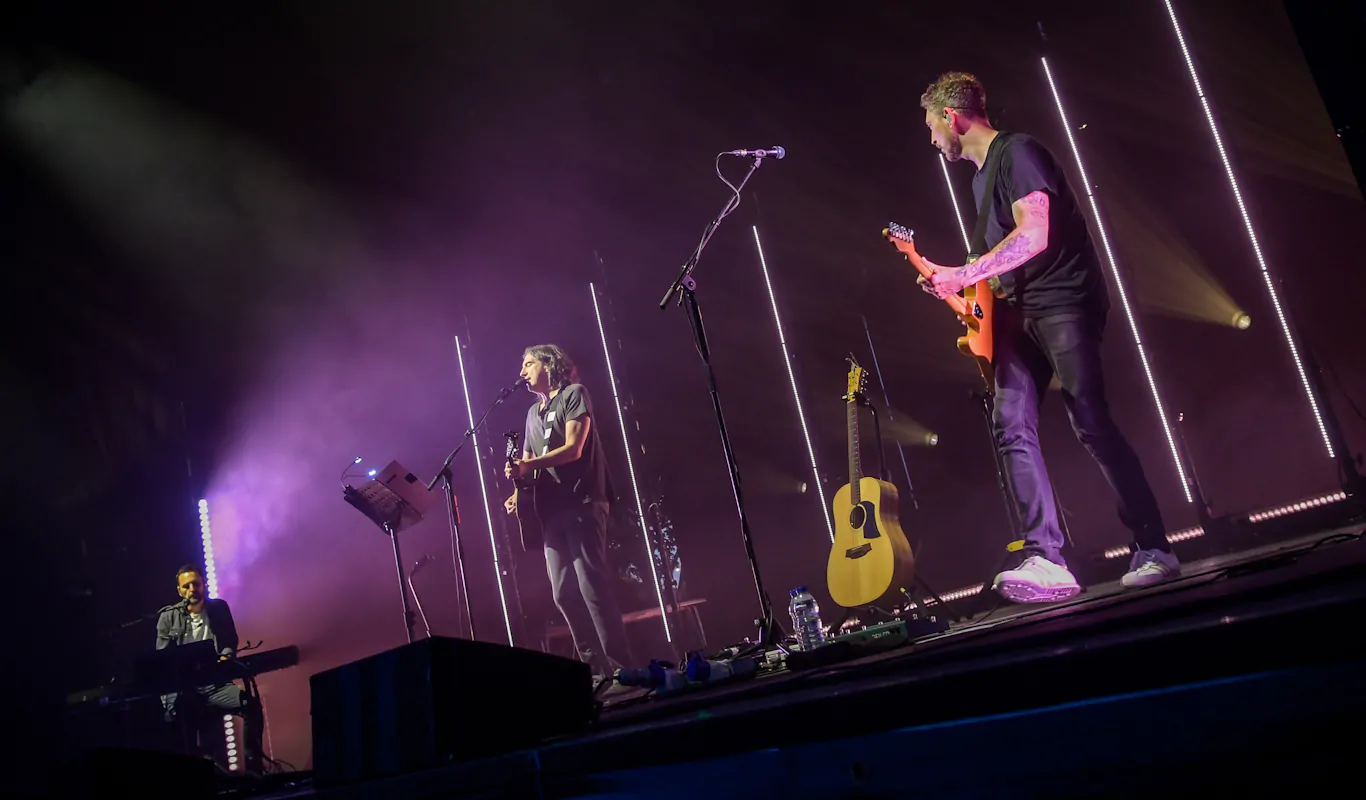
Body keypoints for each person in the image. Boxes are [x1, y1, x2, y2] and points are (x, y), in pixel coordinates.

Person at [916, 71, 1179, 602]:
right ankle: (1046, 557)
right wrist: (956, 282)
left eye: (930, 125)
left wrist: (962, 276)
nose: (930, 139)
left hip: (1062, 301)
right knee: (1009, 422)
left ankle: (1155, 548)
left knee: (1090, 419)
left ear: (952, 116)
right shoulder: (978, 179)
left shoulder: (1019, 153)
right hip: (1017, 313)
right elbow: (995, 261)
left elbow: (1034, 235)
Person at [504, 344, 634, 678]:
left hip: (583, 501)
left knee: (591, 583)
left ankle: (622, 669)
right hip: (550, 511)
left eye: (529, 364)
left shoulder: (574, 394)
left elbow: (574, 448)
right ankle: (595, 673)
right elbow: (530, 465)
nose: (523, 372)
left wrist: (528, 463)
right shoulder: (532, 414)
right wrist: (518, 492)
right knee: (562, 593)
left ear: (549, 364)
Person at [155, 563, 264, 773]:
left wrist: (225, 658)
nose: (191, 590)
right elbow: (162, 660)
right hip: (184, 690)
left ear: (203, 584)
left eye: (195, 584)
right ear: (179, 590)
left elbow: (230, 641)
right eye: (186, 586)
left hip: (217, 685)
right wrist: (168, 702)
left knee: (250, 705)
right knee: (179, 725)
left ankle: (253, 767)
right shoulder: (167, 617)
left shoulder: (219, 609)